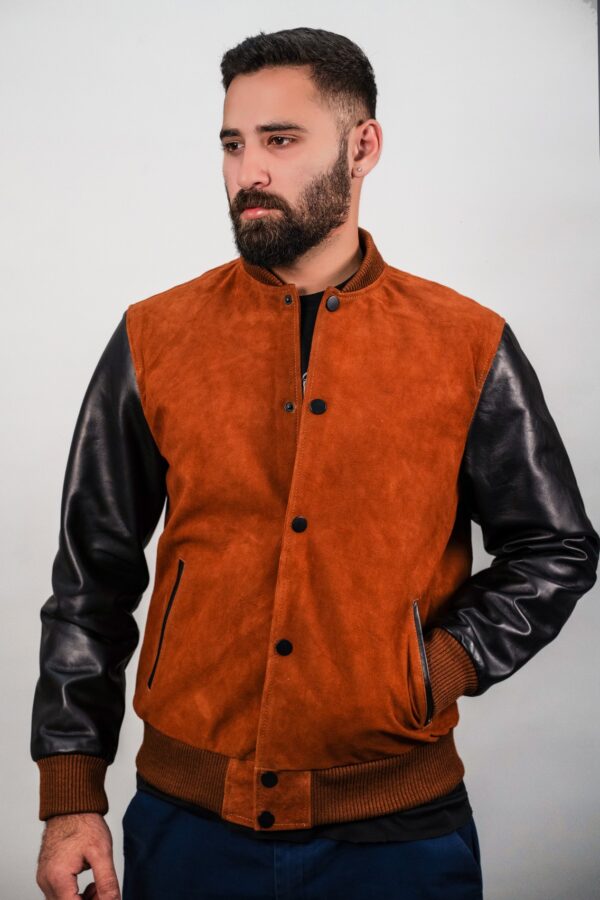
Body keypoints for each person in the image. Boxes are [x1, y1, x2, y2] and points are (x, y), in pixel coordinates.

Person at [31, 26, 599, 900]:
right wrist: (71, 796)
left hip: (400, 835)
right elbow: (90, 575)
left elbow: (556, 547)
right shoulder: (156, 336)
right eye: (233, 143)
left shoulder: (465, 343)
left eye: (281, 140)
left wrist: (437, 668)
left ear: (361, 147)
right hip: (186, 822)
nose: (248, 170)